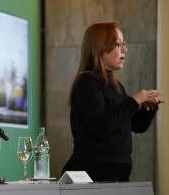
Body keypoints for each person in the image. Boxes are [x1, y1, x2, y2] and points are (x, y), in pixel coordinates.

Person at [61, 22, 163, 182]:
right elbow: (101, 126)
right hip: (92, 175)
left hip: (117, 174)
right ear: (100, 48)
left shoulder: (116, 85)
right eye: (118, 44)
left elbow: (135, 126)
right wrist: (134, 100)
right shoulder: (87, 82)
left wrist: (147, 109)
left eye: (124, 44)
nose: (125, 49)